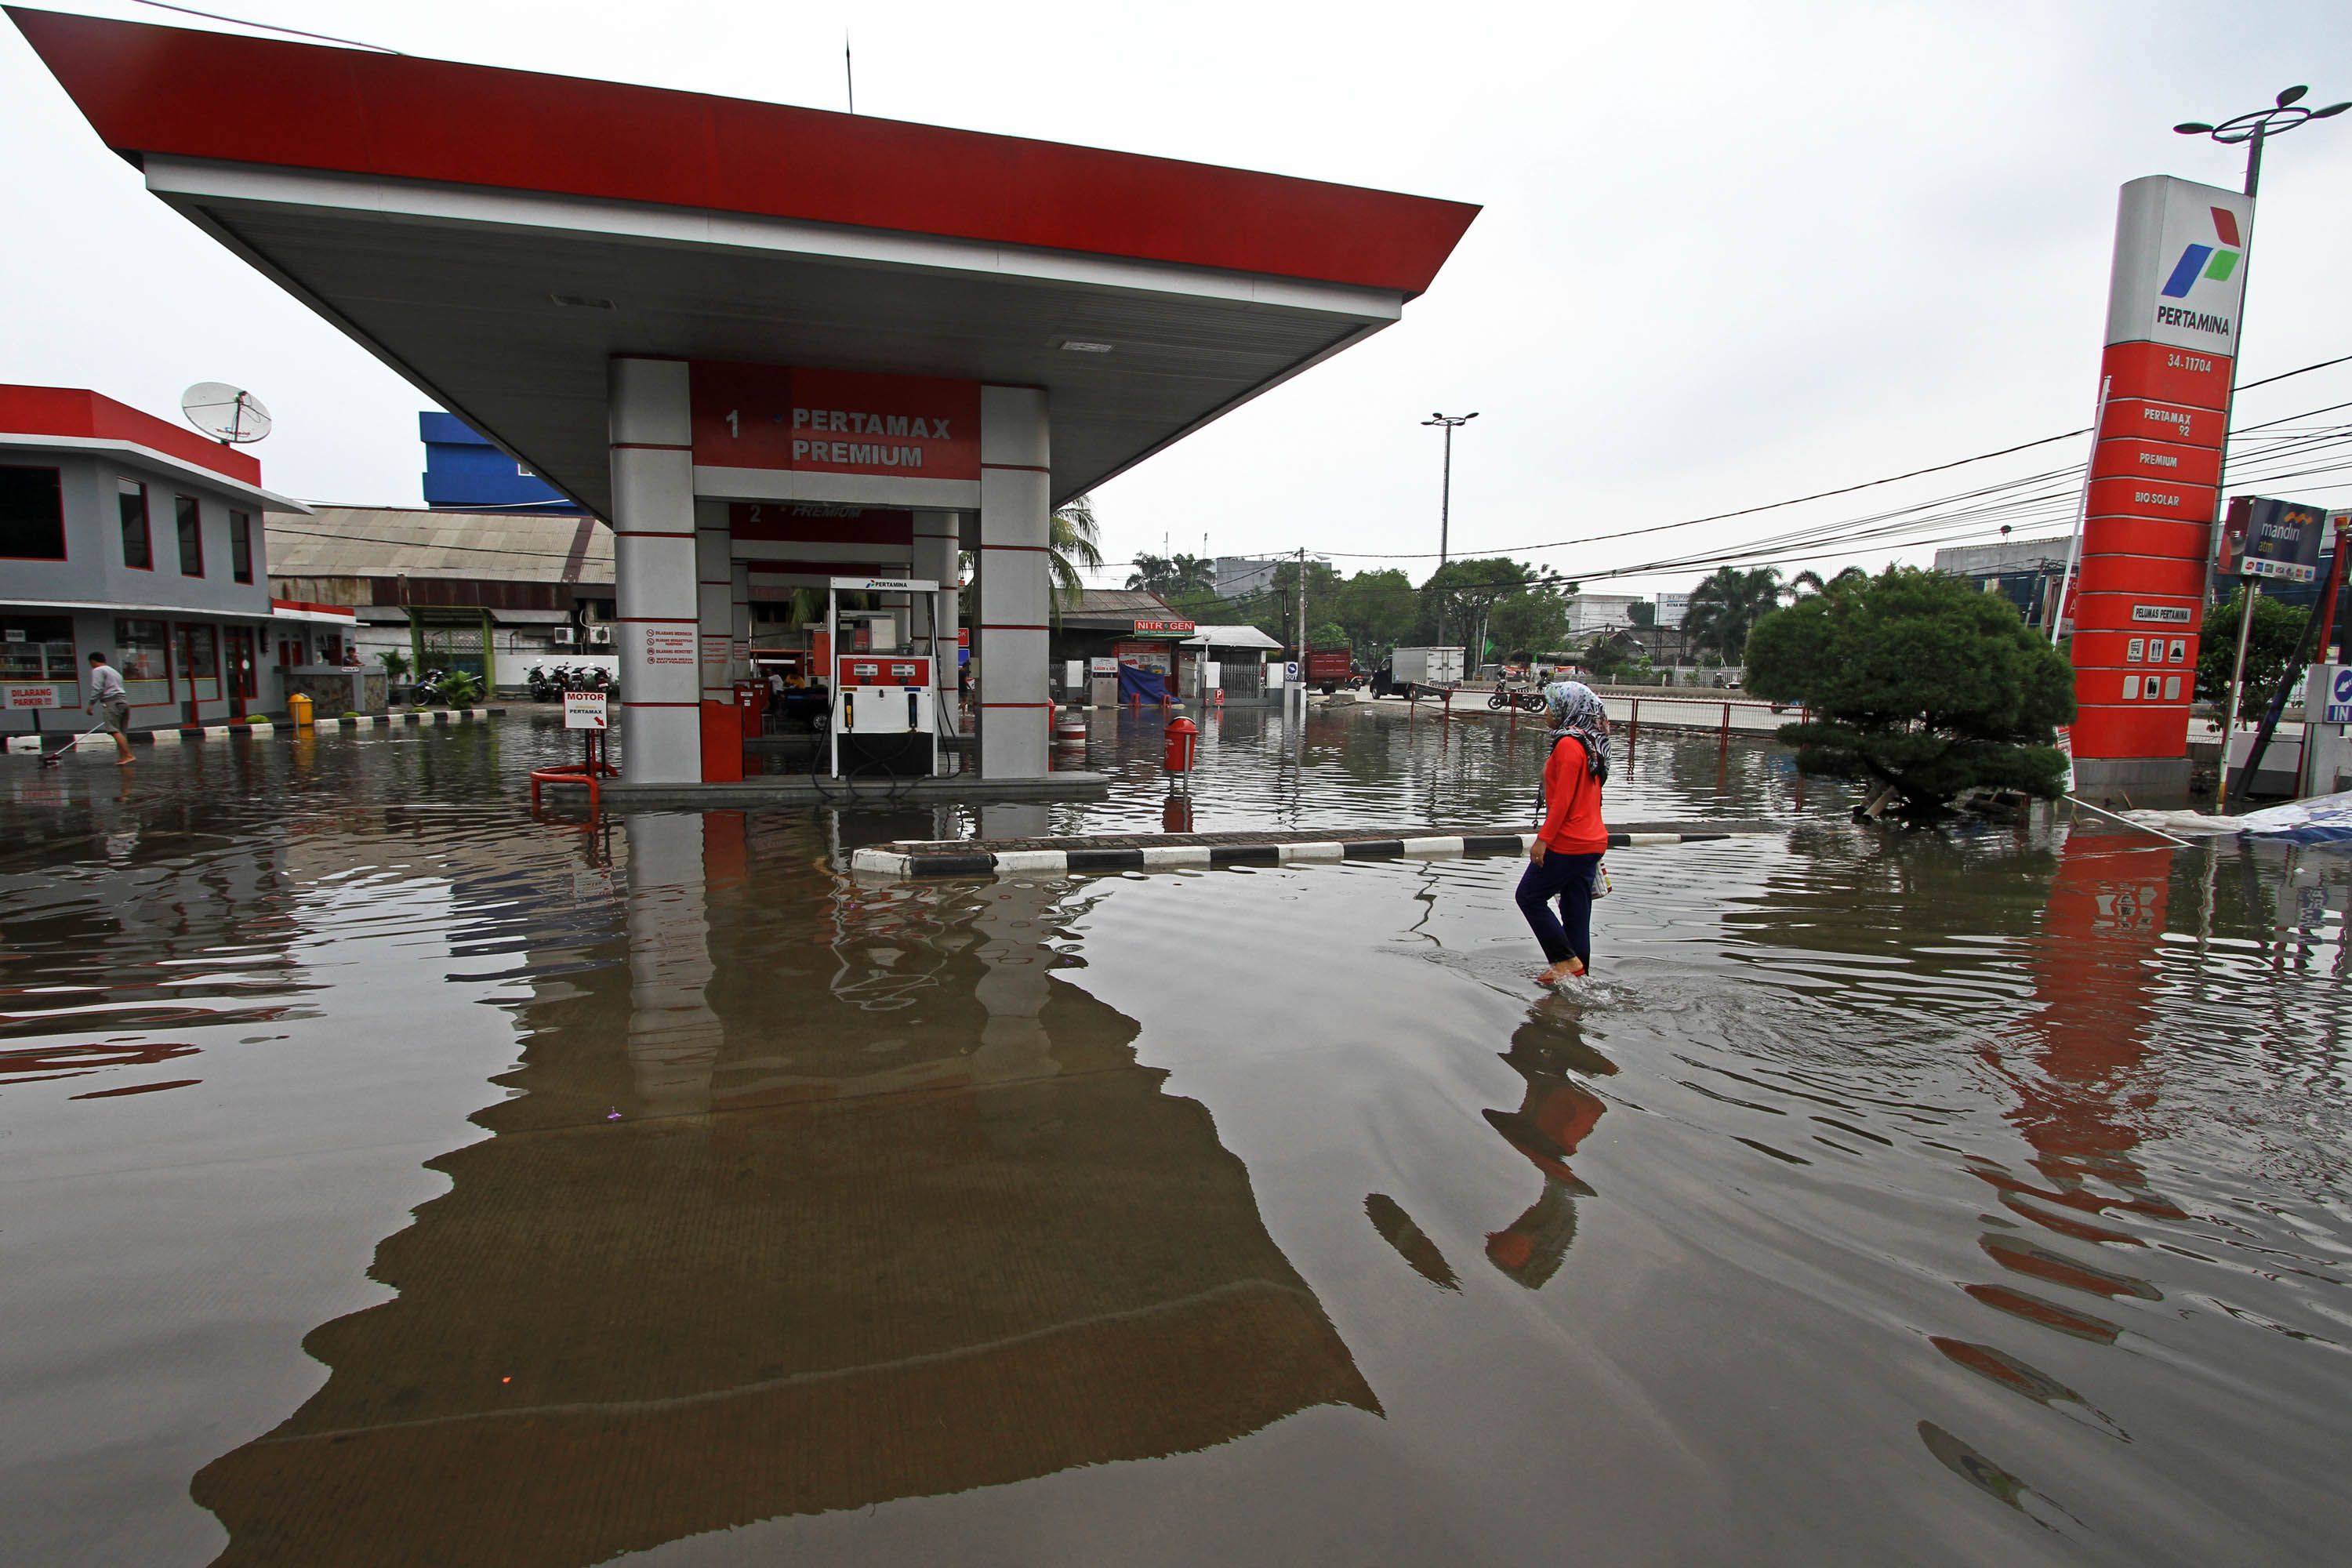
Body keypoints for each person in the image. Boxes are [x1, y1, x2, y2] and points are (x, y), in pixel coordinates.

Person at [1516, 680, 1610, 985]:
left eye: (1551, 706)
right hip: (1593, 840)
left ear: (1568, 708)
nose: (1546, 712)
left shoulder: (1569, 745)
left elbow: (1564, 803)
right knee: (1575, 911)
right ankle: (1580, 979)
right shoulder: (1592, 743)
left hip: (1570, 841)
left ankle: (1564, 961)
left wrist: (1543, 840)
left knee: (1529, 896)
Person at [85, 651, 133, 765]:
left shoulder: (98, 670)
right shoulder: (113, 671)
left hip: (112, 702)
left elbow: (97, 688)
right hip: (123, 702)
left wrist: (91, 704)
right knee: (121, 732)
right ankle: (123, 757)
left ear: (93, 661)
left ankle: (129, 755)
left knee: (113, 730)